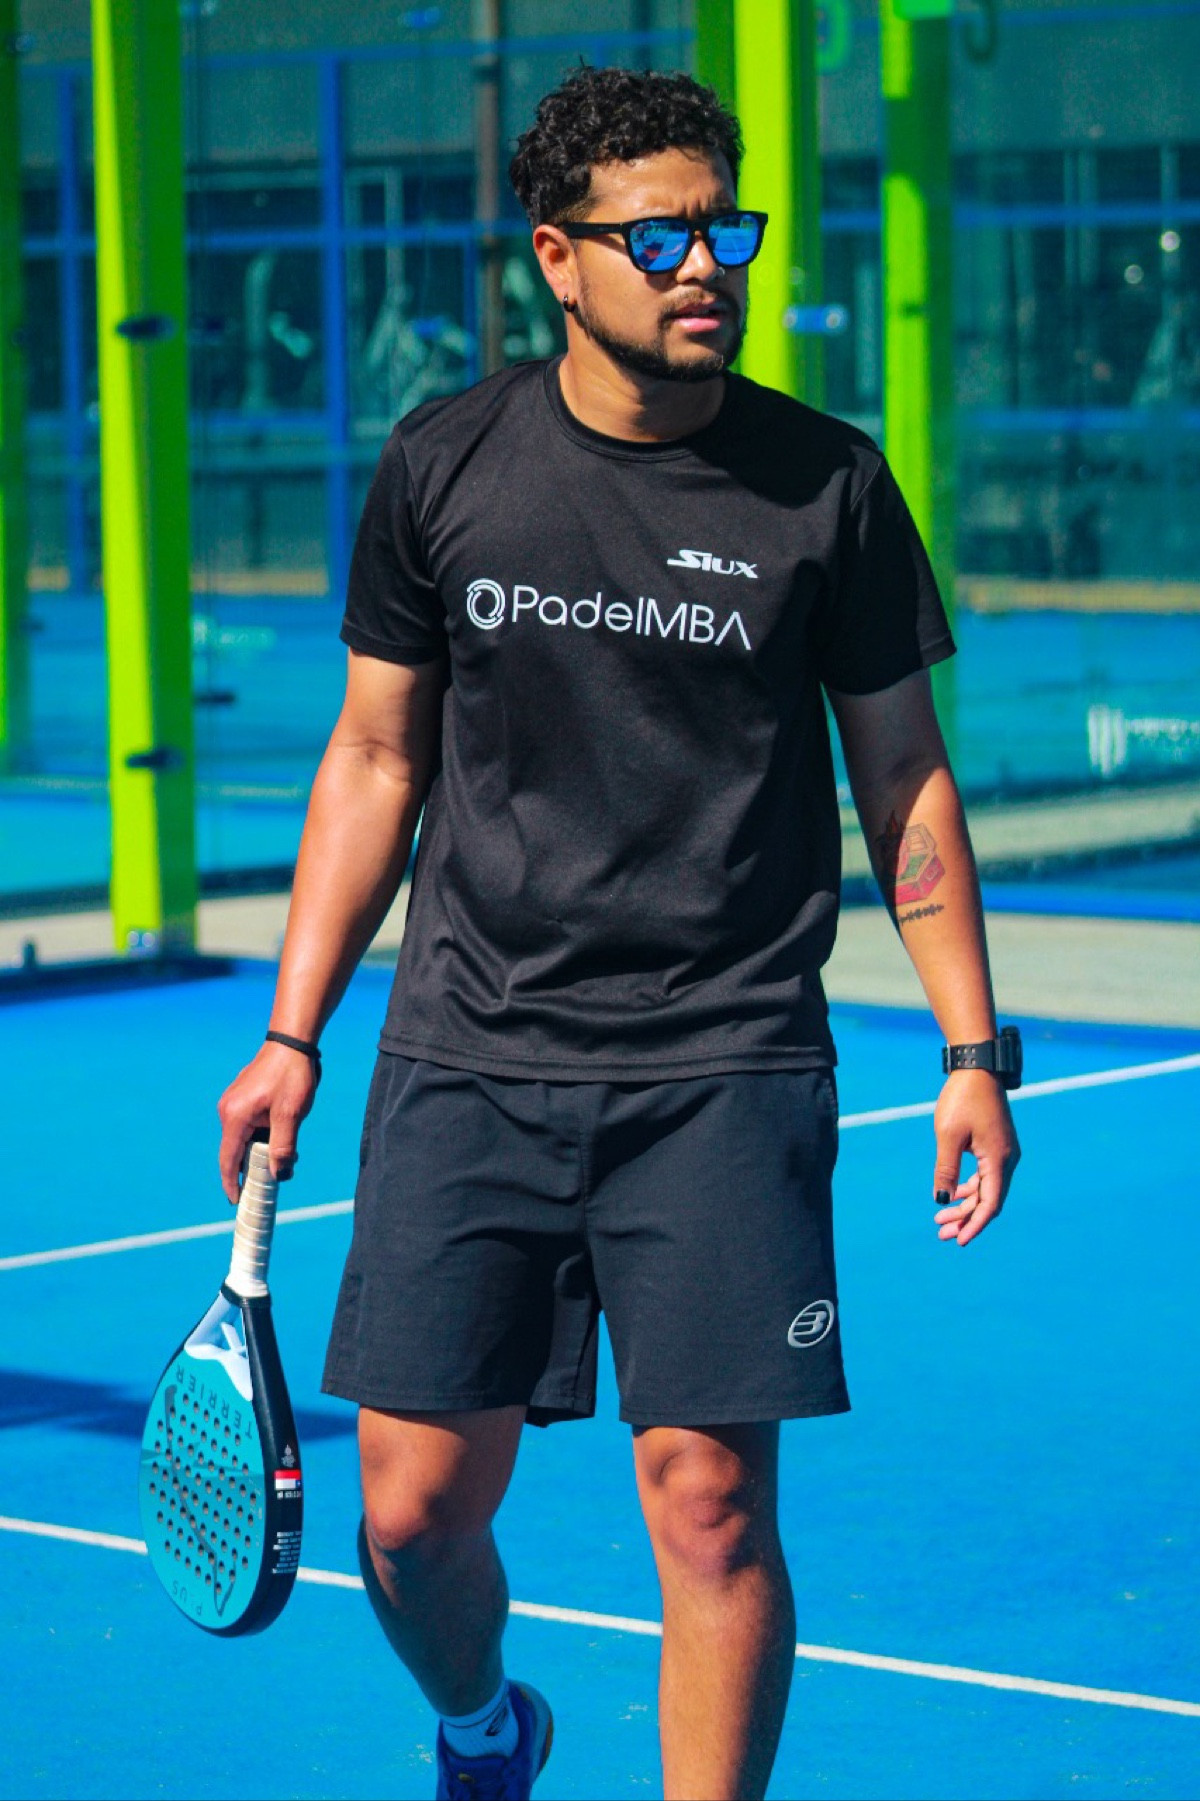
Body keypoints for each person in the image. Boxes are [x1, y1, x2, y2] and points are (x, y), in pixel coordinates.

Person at [217, 64, 1021, 1801]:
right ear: (558, 257)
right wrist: (292, 1032)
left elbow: (905, 777)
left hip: (722, 1062)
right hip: (468, 1049)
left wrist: (973, 1046)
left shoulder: (828, 485)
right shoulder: (444, 465)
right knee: (412, 1517)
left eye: (724, 229)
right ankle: (484, 1724)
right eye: (659, 236)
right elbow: (375, 757)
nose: (704, 265)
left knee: (711, 1505)